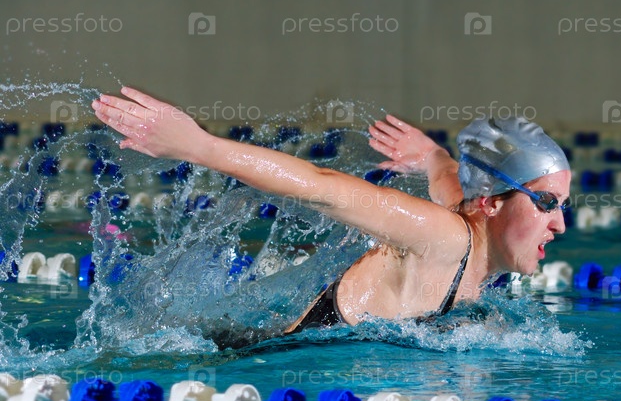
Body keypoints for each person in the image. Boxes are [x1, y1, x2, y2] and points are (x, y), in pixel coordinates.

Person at [92, 88, 571, 338]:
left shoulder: (469, 231)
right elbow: (326, 188)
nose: (560, 224)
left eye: (563, 206)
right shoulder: (441, 236)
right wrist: (199, 146)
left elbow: (452, 183)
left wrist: (431, 156)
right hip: (255, 365)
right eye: (546, 202)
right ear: (492, 202)